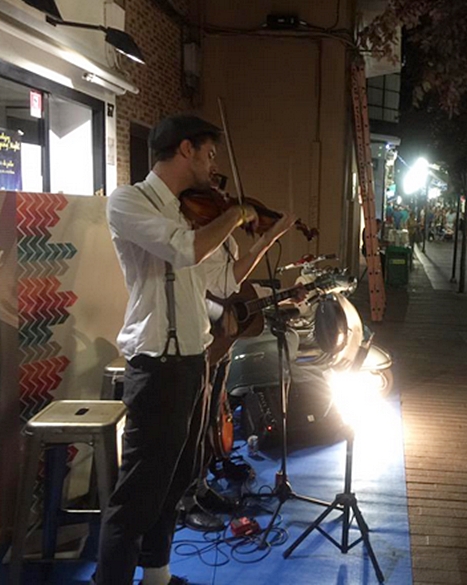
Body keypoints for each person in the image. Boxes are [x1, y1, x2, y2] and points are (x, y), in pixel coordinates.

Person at [95, 115, 296, 585]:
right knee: (138, 494)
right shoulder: (130, 202)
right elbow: (184, 250)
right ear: (185, 150)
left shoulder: (190, 213)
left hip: (192, 362)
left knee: (175, 481)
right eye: (209, 154)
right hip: (157, 366)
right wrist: (236, 213)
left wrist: (269, 236)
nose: (213, 165)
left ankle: (158, 576)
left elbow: (222, 280)